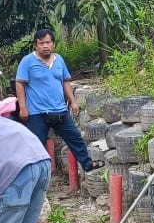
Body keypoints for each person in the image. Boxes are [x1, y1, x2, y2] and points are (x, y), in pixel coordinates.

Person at [15, 28, 102, 171]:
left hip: (60, 110)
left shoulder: (59, 60)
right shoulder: (27, 61)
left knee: (75, 137)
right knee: (34, 144)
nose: (45, 46)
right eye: (41, 43)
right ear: (35, 45)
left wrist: (73, 101)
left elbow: (65, 81)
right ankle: (28, 172)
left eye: (48, 42)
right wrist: (23, 108)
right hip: (37, 112)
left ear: (53, 44)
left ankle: (87, 163)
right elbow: (20, 83)